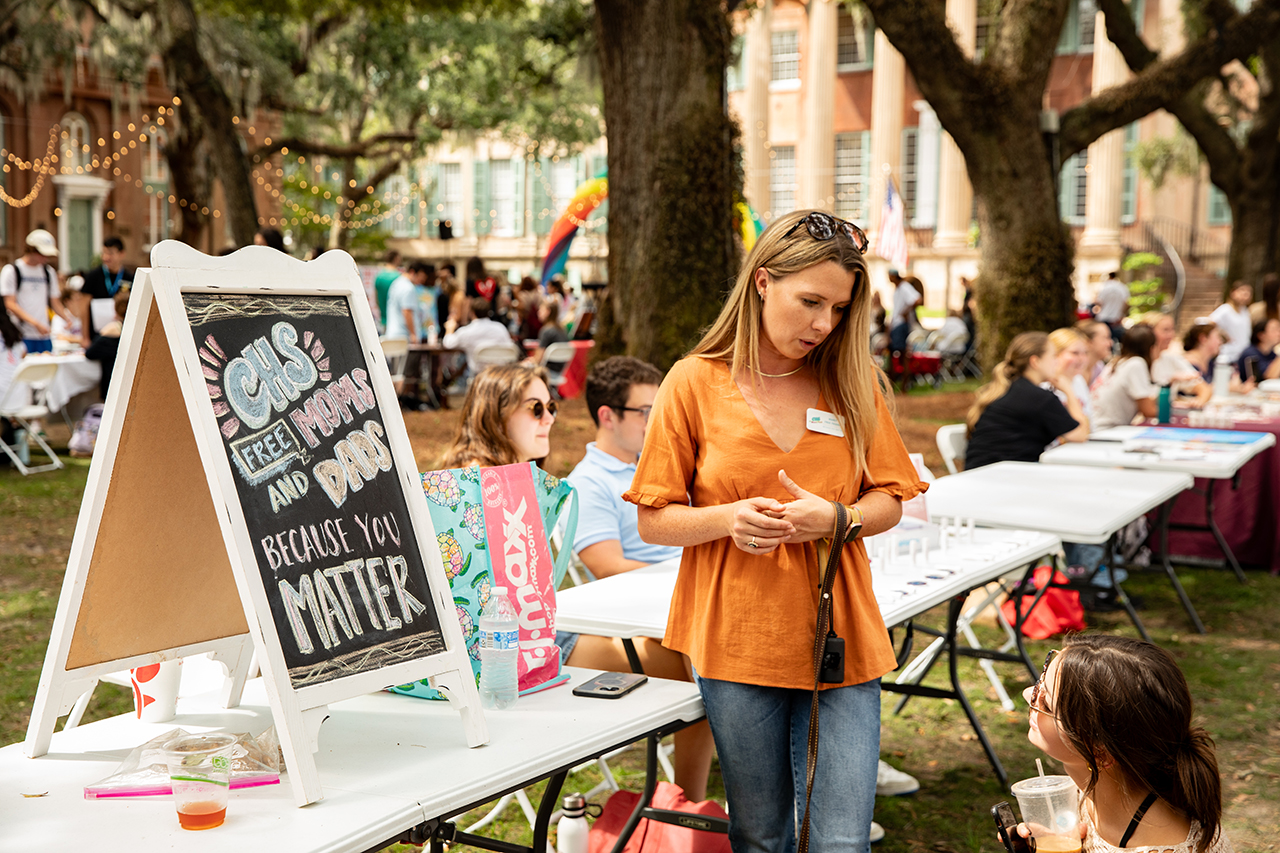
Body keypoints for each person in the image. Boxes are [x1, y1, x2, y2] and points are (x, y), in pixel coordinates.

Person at [625, 209, 926, 851]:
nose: (823, 323)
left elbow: (892, 499)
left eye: (839, 308)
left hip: (839, 634)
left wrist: (837, 519)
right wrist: (726, 519)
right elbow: (654, 518)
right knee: (761, 836)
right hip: (738, 634)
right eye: (810, 301)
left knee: (841, 841)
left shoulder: (853, 382)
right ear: (762, 282)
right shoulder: (694, 382)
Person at [559, 356, 714, 801]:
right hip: (622, 621)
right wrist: (689, 578)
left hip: (673, 606)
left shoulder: (662, 467)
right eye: (646, 411)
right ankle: (691, 802)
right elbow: (607, 568)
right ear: (607, 416)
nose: (656, 421)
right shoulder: (588, 483)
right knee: (702, 660)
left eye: (660, 409)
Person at [1015, 634, 1234, 852]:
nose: (1027, 695)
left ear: (1101, 753)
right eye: (1038, 684)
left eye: (1045, 703)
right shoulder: (1091, 793)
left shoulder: (1158, 846)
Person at [964, 332, 1090, 469]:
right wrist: (1069, 391)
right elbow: (1080, 435)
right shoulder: (1039, 398)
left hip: (982, 473)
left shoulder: (1009, 387)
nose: (1056, 361)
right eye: (1053, 356)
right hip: (1002, 477)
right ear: (1035, 361)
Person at [439, 363, 556, 469]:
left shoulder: (510, 479)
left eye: (551, 408)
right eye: (537, 408)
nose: (549, 419)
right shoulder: (479, 486)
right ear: (497, 416)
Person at [1, 229, 72, 354]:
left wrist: (67, 318)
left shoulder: (48, 272)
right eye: (42, 254)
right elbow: (10, 303)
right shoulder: (12, 270)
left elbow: (54, 302)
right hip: (21, 333)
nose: (45, 258)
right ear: (31, 250)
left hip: (43, 335)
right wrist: (35, 324)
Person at [1091, 324, 1160, 431]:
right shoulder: (1136, 363)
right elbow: (1149, 411)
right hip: (1106, 431)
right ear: (1151, 348)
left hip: (1095, 427)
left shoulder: (1116, 362)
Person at [442, 297, 518, 376]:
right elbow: (510, 347)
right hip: (500, 374)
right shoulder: (500, 328)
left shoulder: (467, 331)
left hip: (478, 375)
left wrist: (449, 328)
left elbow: (448, 344)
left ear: (472, 313)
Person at [79, 236, 134, 344]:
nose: (106, 257)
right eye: (104, 253)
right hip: (96, 334)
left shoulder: (129, 278)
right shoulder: (93, 276)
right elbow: (83, 306)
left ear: (121, 254)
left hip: (121, 333)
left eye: (111, 253)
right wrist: (85, 337)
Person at [1151, 322, 1215, 407]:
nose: (1171, 335)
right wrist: (1171, 381)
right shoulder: (1138, 363)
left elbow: (1203, 388)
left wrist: (1197, 402)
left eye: (1172, 330)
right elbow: (1148, 405)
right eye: (1166, 330)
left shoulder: (1171, 359)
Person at [85, 290, 130, 399]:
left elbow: (90, 352)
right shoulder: (136, 328)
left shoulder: (113, 329)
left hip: (113, 382)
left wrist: (102, 333)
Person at [1047, 328, 1095, 422]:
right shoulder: (1044, 385)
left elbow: (1089, 421)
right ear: (1055, 354)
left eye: (1085, 353)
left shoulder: (1078, 380)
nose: (1082, 359)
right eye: (1075, 353)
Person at [1209, 281, 1253, 366]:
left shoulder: (1245, 311)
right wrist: (1222, 335)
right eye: (1242, 292)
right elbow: (1209, 323)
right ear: (1233, 292)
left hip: (1243, 355)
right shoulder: (1225, 310)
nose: (1245, 296)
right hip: (1228, 356)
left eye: (1248, 293)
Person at [1236, 317, 1280, 383]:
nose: (1278, 333)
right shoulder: (1250, 354)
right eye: (1274, 330)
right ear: (1261, 335)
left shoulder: (1271, 354)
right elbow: (1269, 377)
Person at [889, 273, 922, 354]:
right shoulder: (898, 289)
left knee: (901, 351)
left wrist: (905, 312)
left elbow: (918, 300)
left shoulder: (904, 287)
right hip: (896, 324)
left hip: (901, 324)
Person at [1094, 271, 1129, 343]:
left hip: (1104, 317)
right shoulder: (1122, 287)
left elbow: (1099, 302)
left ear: (1109, 277)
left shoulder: (1104, 287)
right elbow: (1126, 303)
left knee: (1104, 340)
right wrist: (1121, 314)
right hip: (1116, 319)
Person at [1076, 319, 1113, 386]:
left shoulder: (1099, 367)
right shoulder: (1075, 369)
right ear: (1088, 342)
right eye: (1105, 338)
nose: (1110, 343)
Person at [373, 249, 402, 333]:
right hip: (397, 322)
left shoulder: (379, 276)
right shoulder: (398, 277)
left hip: (383, 319)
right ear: (396, 259)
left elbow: (376, 299)